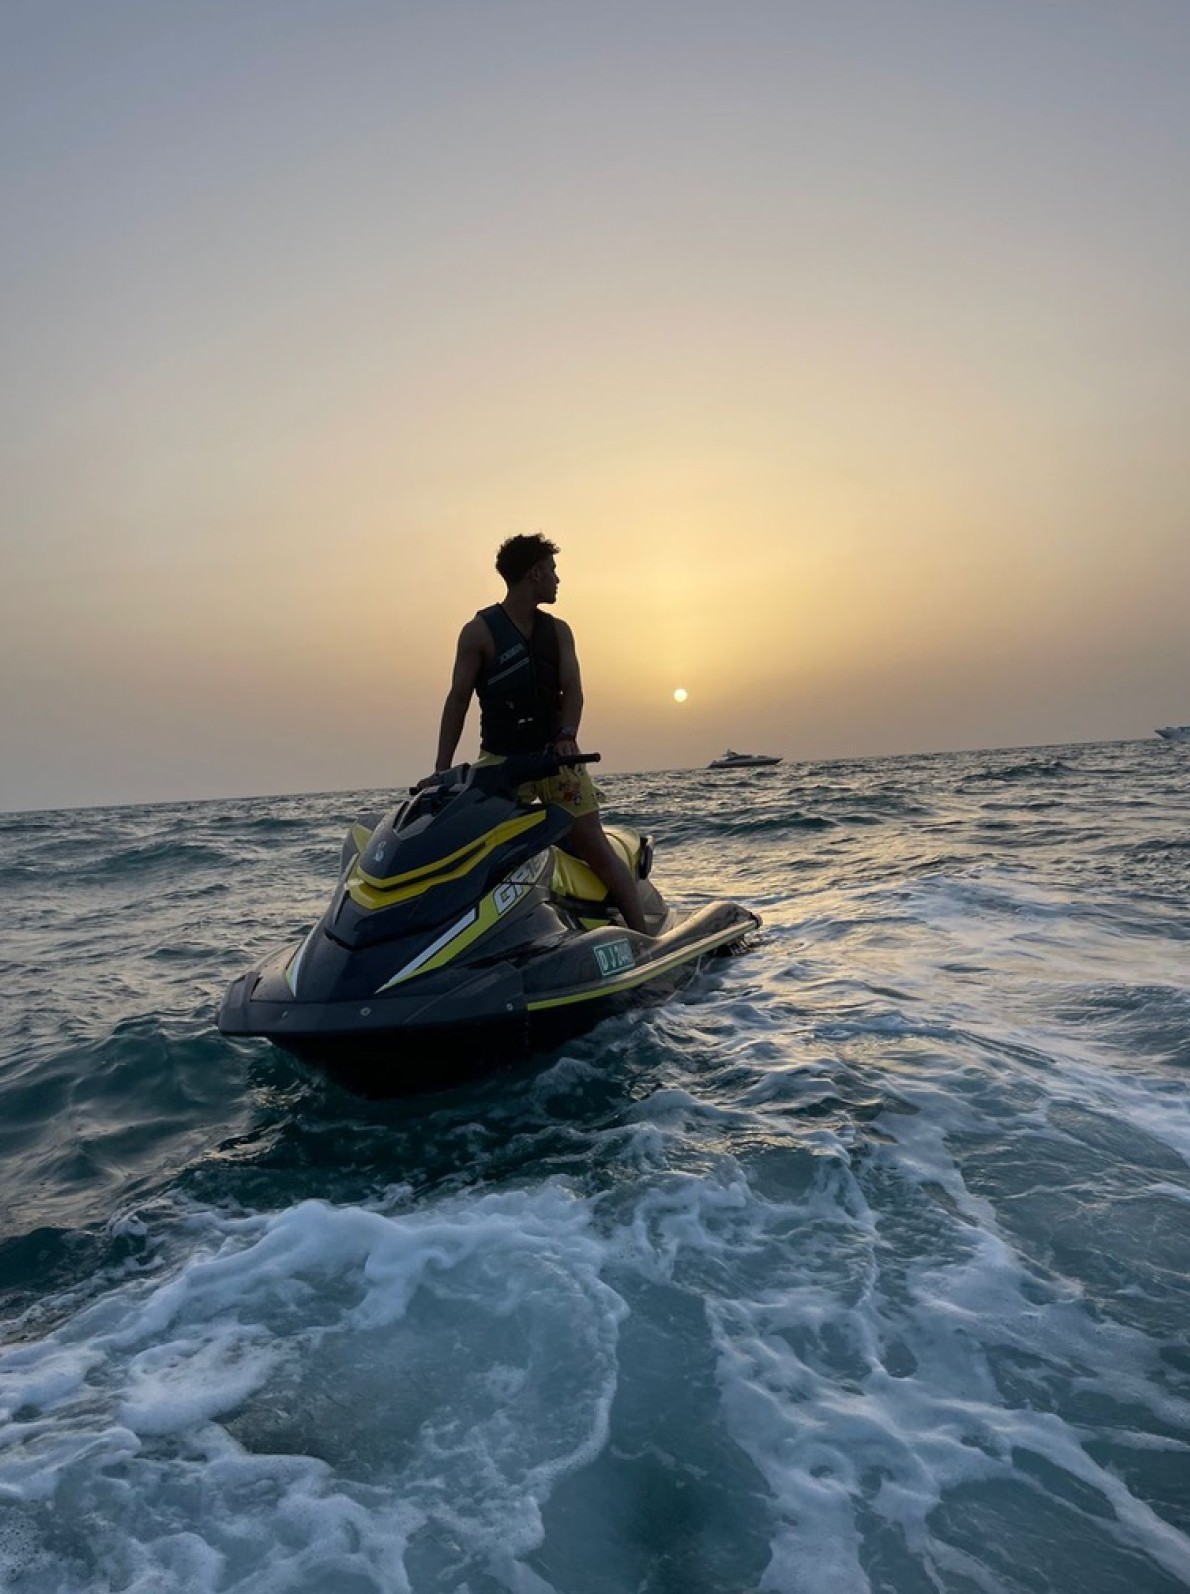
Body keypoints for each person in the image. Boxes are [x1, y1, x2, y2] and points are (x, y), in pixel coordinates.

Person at [424, 533, 647, 932]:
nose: (558, 579)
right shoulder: (478, 633)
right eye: (553, 570)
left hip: (556, 758)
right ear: (535, 574)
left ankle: (643, 937)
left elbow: (573, 690)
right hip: (501, 762)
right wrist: (442, 769)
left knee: (596, 848)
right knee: (484, 858)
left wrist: (567, 734)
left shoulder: (559, 631)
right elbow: (457, 700)